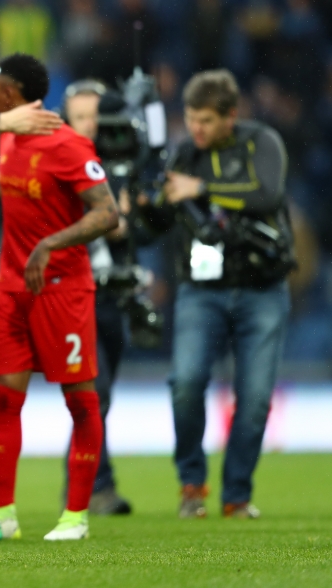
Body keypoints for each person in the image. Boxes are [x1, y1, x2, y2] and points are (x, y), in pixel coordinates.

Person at [0, 53, 119, 542]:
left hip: (62, 291)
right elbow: (12, 187)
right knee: (5, 403)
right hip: (11, 290)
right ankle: (4, 515)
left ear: (19, 96)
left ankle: (75, 517)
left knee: (81, 404)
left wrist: (50, 244)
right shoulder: (8, 136)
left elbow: (107, 213)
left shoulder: (70, 146)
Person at [140, 69, 293, 519]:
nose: (197, 129)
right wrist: (149, 205)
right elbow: (155, 230)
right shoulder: (184, 154)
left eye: (206, 120)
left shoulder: (260, 142)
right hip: (201, 290)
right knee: (185, 383)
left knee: (256, 396)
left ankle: (237, 494)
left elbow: (267, 195)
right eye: (191, 119)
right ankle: (192, 484)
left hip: (262, 287)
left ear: (232, 115)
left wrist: (202, 188)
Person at [60, 80, 134, 516]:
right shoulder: (60, 163)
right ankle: (93, 487)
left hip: (115, 295)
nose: (89, 125)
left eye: (95, 117)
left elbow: (147, 223)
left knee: (101, 394)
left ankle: (90, 483)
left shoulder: (120, 163)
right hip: (73, 292)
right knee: (95, 390)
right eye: (81, 116)